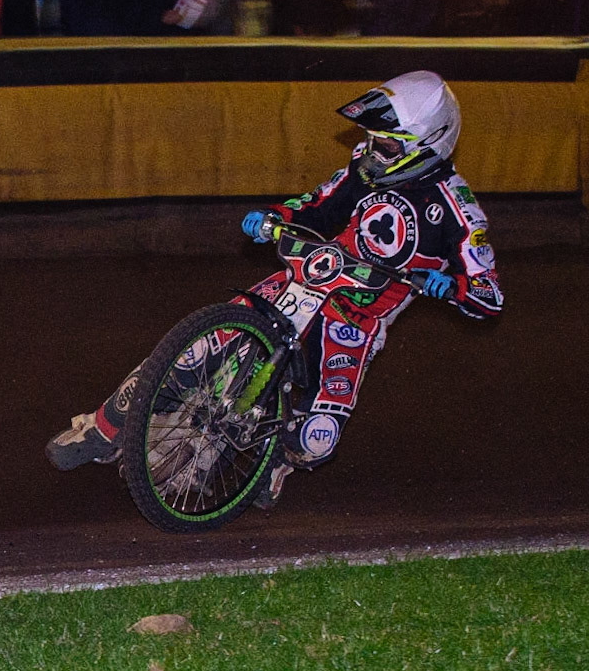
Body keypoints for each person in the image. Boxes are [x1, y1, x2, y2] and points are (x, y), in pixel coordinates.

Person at [45, 71, 503, 507]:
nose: (370, 149)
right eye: (372, 140)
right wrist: (277, 216)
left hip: (354, 320)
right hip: (301, 279)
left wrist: (453, 286)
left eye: (384, 143)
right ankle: (103, 428)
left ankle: (272, 460)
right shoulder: (364, 168)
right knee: (190, 352)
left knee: (316, 440)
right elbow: (320, 205)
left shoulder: (459, 212)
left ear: (426, 144)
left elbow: (490, 296)